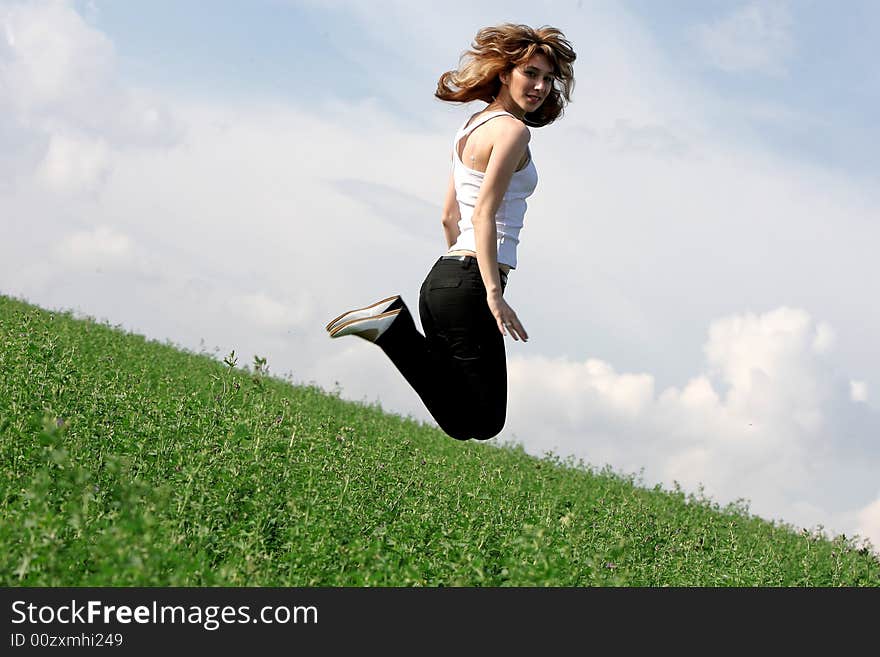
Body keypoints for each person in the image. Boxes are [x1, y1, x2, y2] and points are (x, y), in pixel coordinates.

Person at [326, 23, 576, 441]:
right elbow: (482, 215)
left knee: (467, 419)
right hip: (471, 280)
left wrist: (459, 277)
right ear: (504, 73)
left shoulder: (471, 127)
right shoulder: (513, 130)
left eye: (548, 79)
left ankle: (392, 329)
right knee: (484, 420)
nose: (540, 86)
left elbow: (448, 216)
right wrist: (491, 293)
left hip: (446, 278)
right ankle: (392, 331)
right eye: (530, 73)